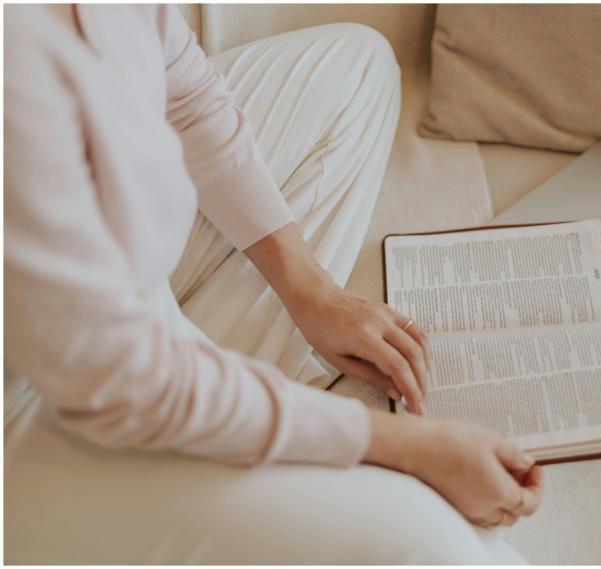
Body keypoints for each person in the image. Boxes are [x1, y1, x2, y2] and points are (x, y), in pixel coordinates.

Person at [4, 4, 543, 564]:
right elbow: (119, 376)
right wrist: (400, 446)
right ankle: (234, 437)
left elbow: (182, 94)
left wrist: (312, 291)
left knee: (358, 69)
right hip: (35, 413)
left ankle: (239, 416)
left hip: (113, 300)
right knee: (442, 547)